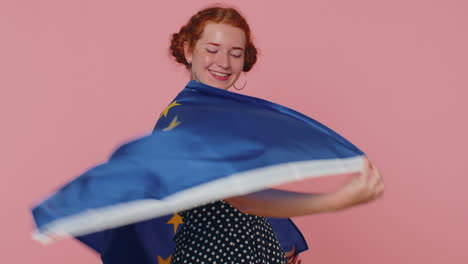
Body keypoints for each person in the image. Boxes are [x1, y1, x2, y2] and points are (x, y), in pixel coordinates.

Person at [168, 5, 384, 264]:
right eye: (212, 50)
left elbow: (246, 192)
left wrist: (275, 244)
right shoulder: (189, 119)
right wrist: (335, 200)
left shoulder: (223, 116)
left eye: (235, 53)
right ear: (189, 50)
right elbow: (244, 199)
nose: (224, 62)